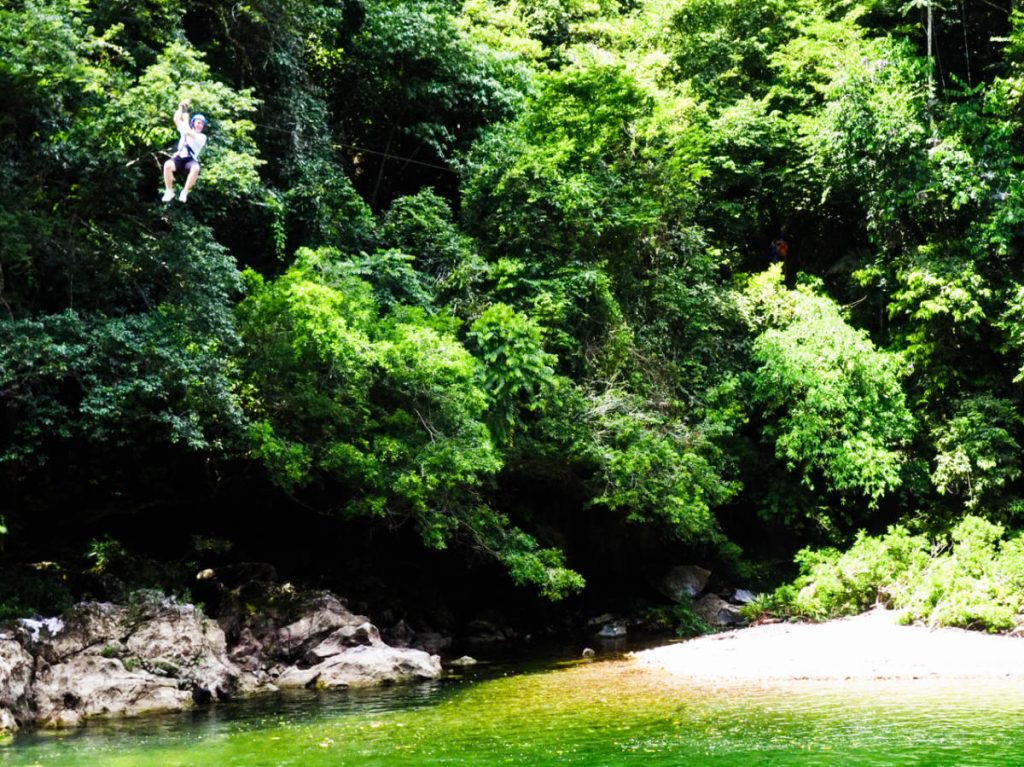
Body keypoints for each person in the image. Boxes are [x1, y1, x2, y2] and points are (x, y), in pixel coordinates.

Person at [161, 100, 207, 203]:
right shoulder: (185, 127)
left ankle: (185, 191)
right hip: (179, 156)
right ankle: (169, 191)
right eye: (198, 123)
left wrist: (186, 119)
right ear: (193, 123)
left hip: (189, 160)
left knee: (196, 168)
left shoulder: (202, 137)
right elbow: (176, 118)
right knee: (167, 165)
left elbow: (188, 132)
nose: (200, 125)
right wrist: (181, 107)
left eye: (202, 124)